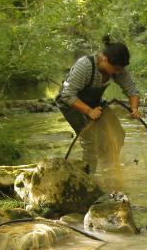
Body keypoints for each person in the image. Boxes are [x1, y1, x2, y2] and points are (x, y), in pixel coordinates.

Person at [55, 36, 142, 172]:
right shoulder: (84, 66)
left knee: (118, 134)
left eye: (121, 69)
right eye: (116, 69)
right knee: (90, 141)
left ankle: (108, 169)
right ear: (104, 60)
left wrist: (135, 108)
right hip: (71, 103)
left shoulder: (117, 68)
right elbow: (67, 95)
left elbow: (132, 90)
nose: (119, 72)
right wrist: (89, 111)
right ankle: (89, 176)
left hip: (95, 103)